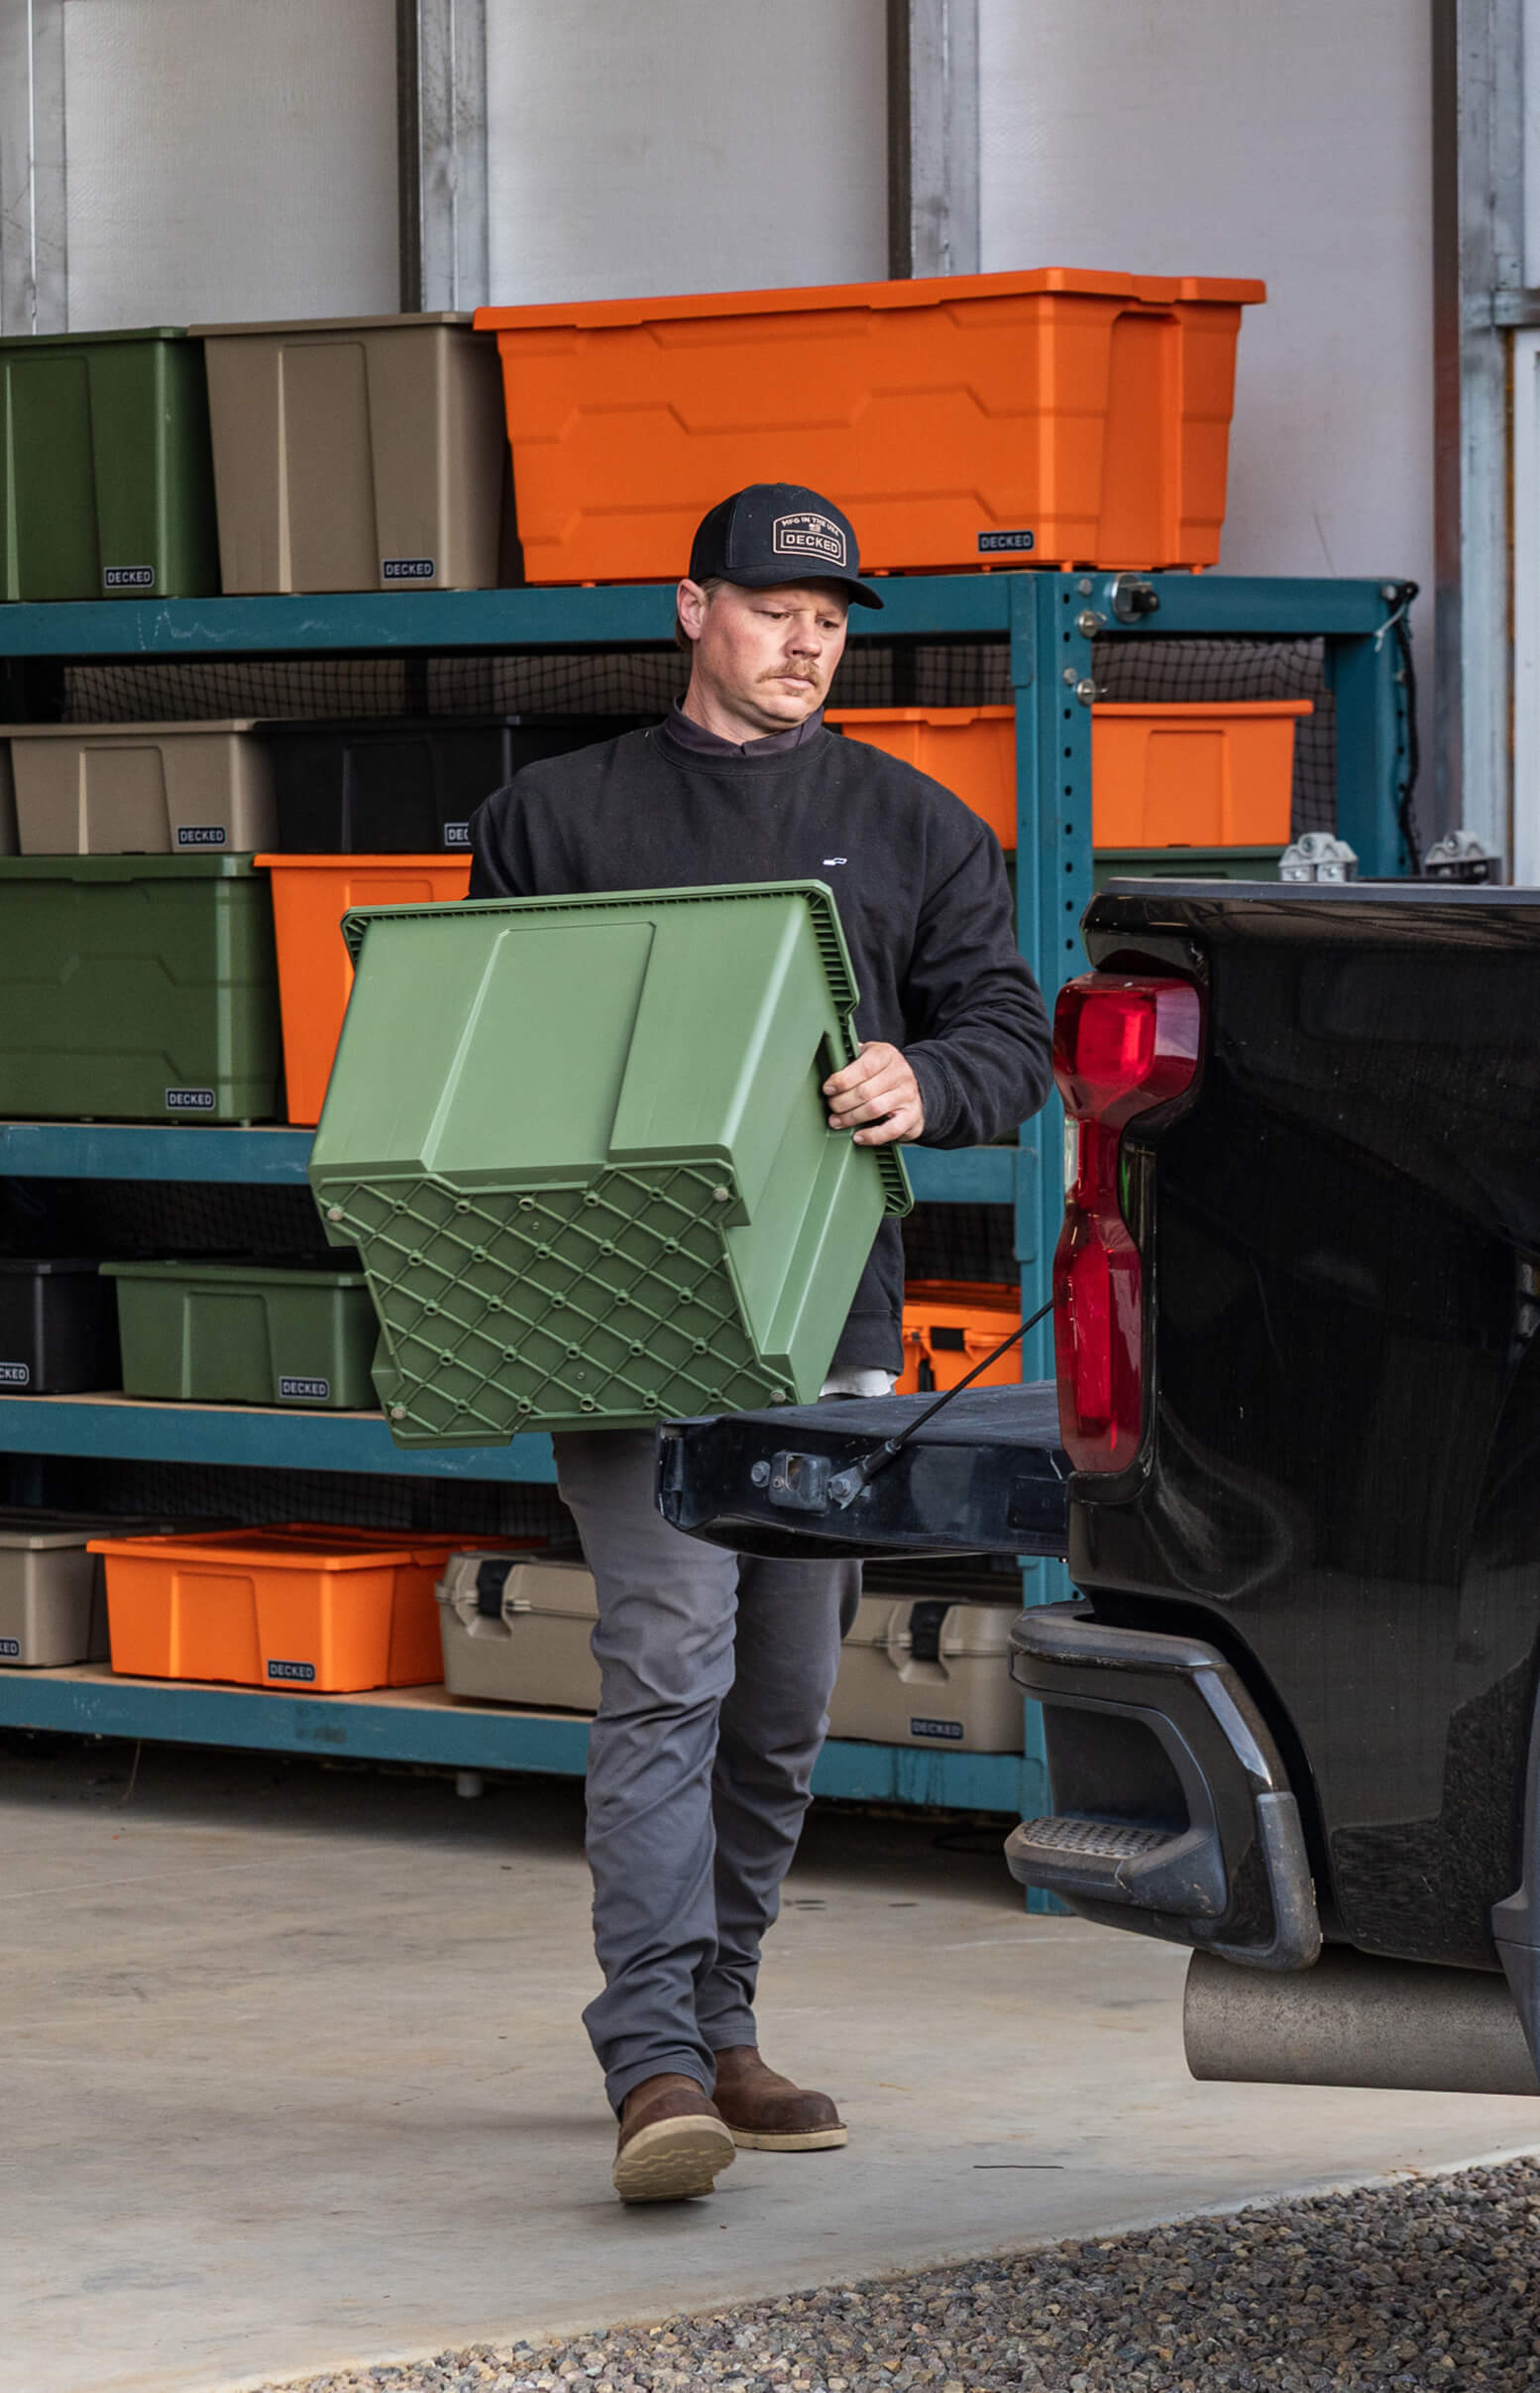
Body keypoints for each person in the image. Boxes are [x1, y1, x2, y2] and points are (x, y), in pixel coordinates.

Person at [469, 482, 1052, 2206]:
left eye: (831, 615)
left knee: (786, 1699)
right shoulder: (551, 817)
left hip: (830, 1326)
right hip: (619, 1316)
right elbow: (477, 1047)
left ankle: (723, 2021)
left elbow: (1011, 1035)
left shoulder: (913, 822)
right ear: (689, 609)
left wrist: (923, 1082)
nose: (806, 638)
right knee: (669, 1663)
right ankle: (647, 2053)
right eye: (772, 605)